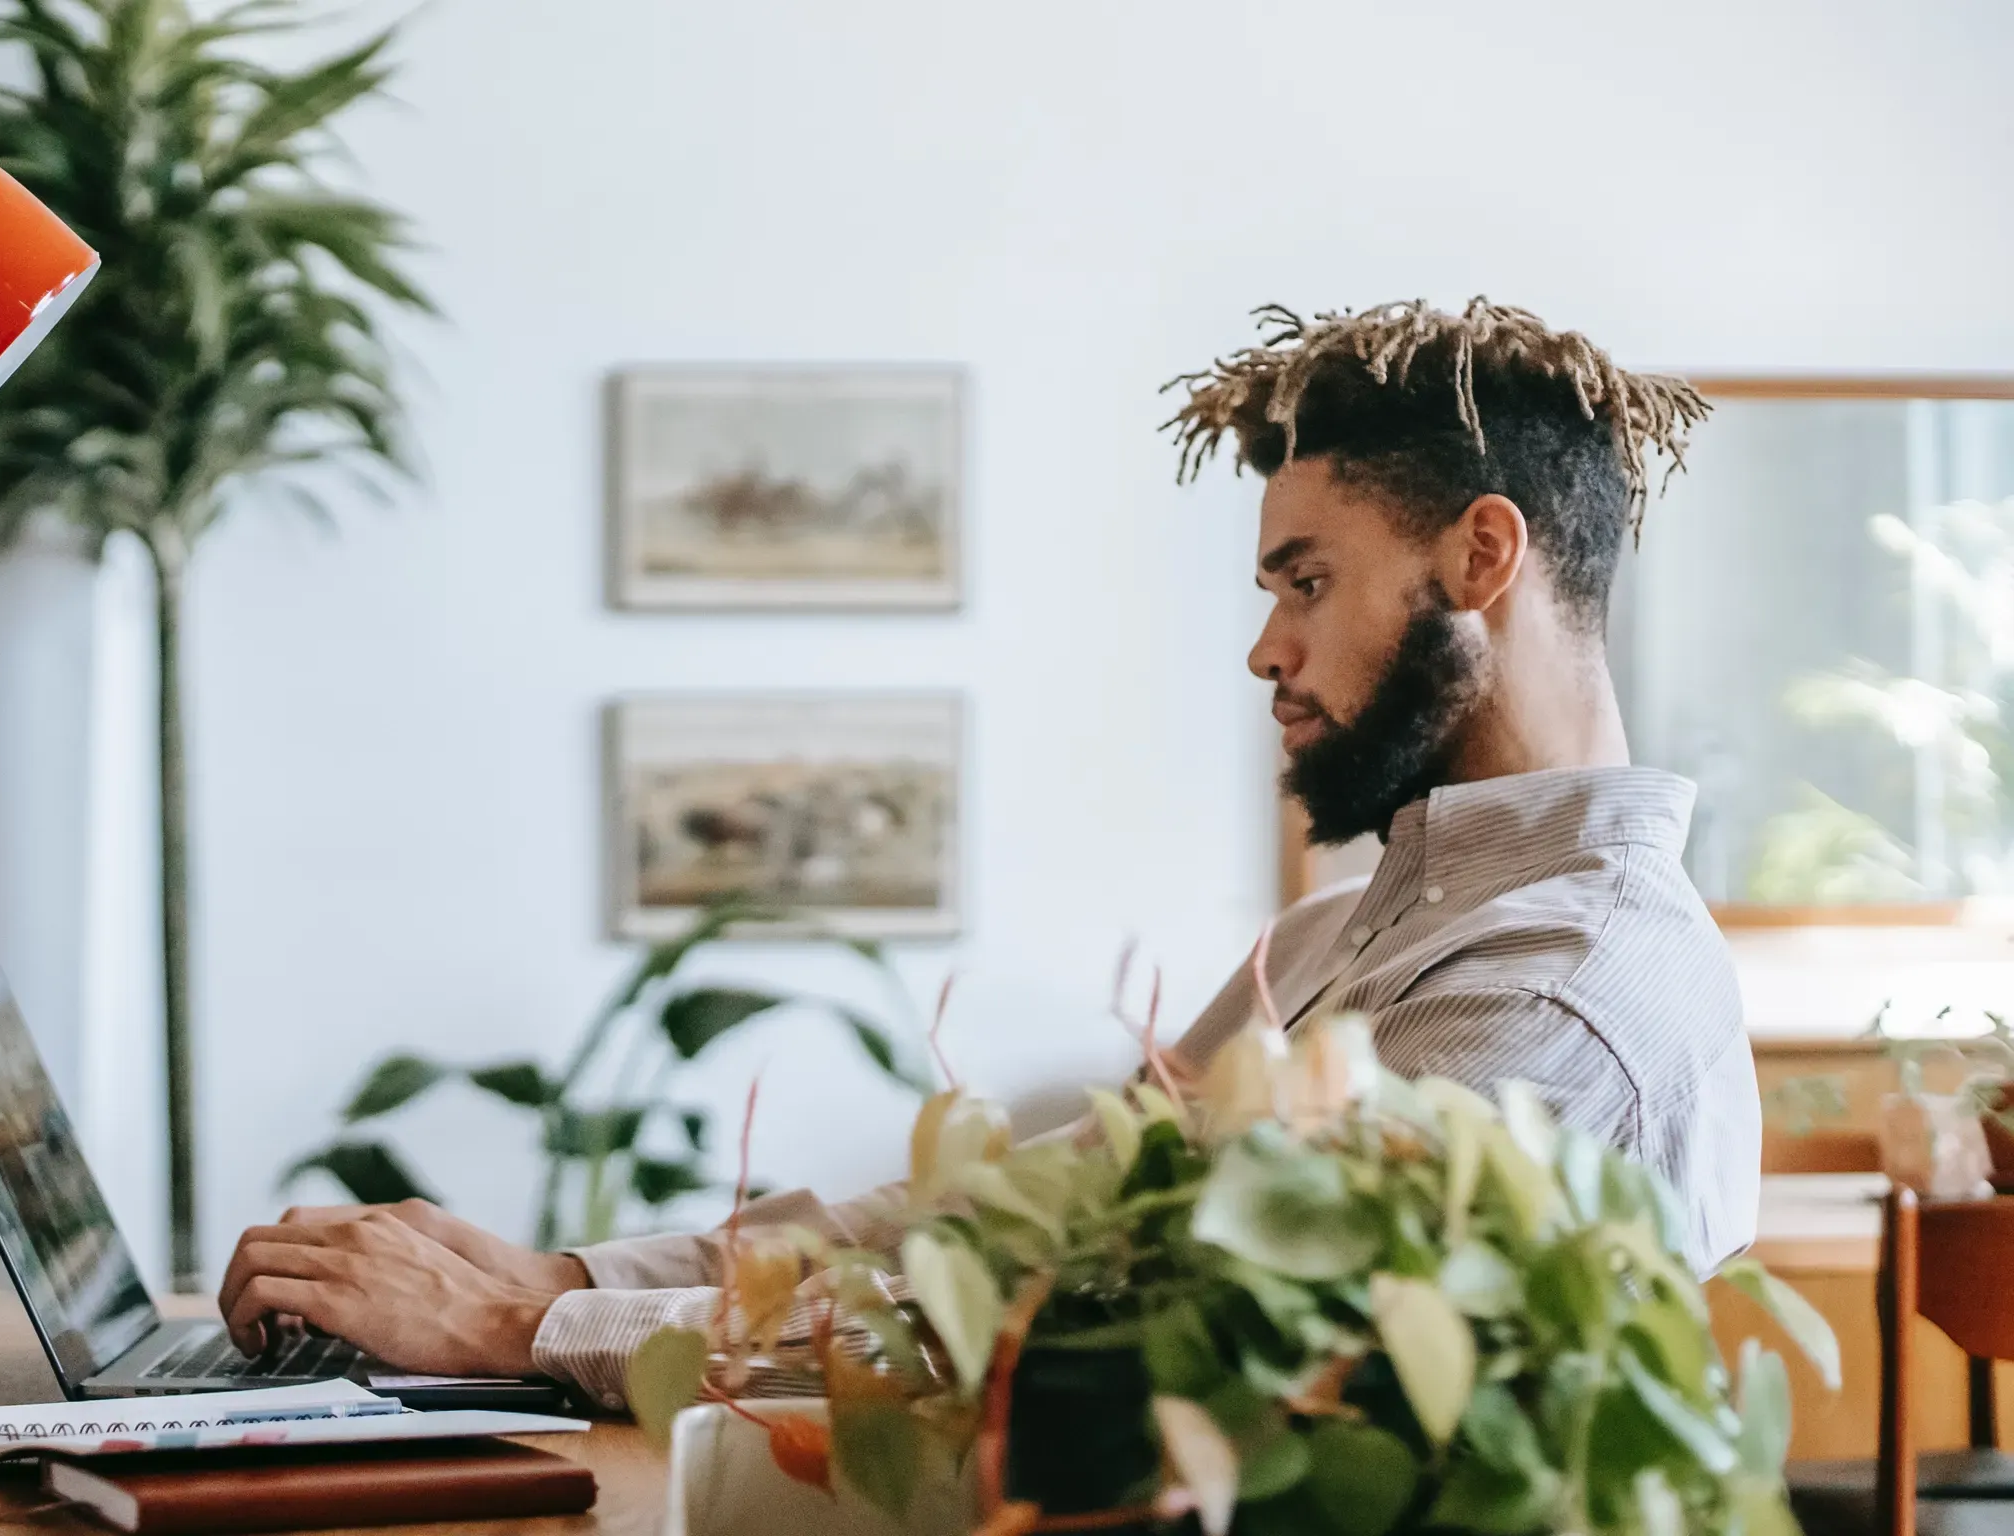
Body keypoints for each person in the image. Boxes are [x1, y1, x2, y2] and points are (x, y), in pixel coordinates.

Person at [216, 298, 1761, 1410]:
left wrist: (511, 1330)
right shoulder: (1348, 931)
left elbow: (1108, 1335)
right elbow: (1006, 1225)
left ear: (1479, 556)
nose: (1263, 650)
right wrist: (562, 1284)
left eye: (1305, 581)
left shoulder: (1556, 992)